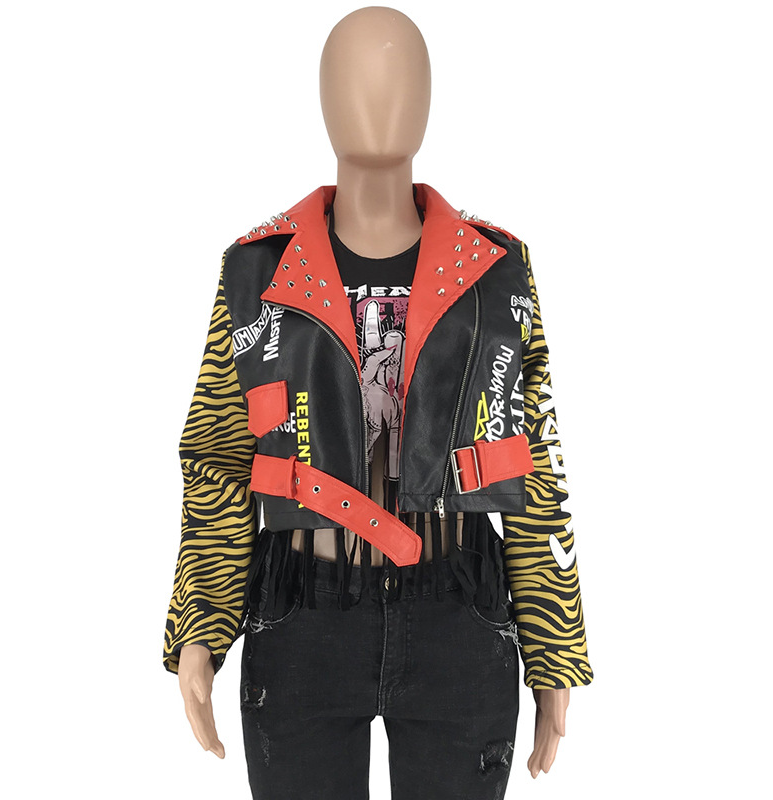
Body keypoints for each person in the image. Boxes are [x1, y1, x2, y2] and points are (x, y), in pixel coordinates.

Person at [162, 7, 594, 799]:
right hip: (302, 614)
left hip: (460, 610)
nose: (380, 97)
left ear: (429, 98)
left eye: (402, 76)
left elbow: (535, 461)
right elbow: (217, 461)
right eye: (356, 77)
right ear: (323, 97)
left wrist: (553, 646)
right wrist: (202, 628)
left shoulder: (496, 270)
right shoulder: (257, 272)